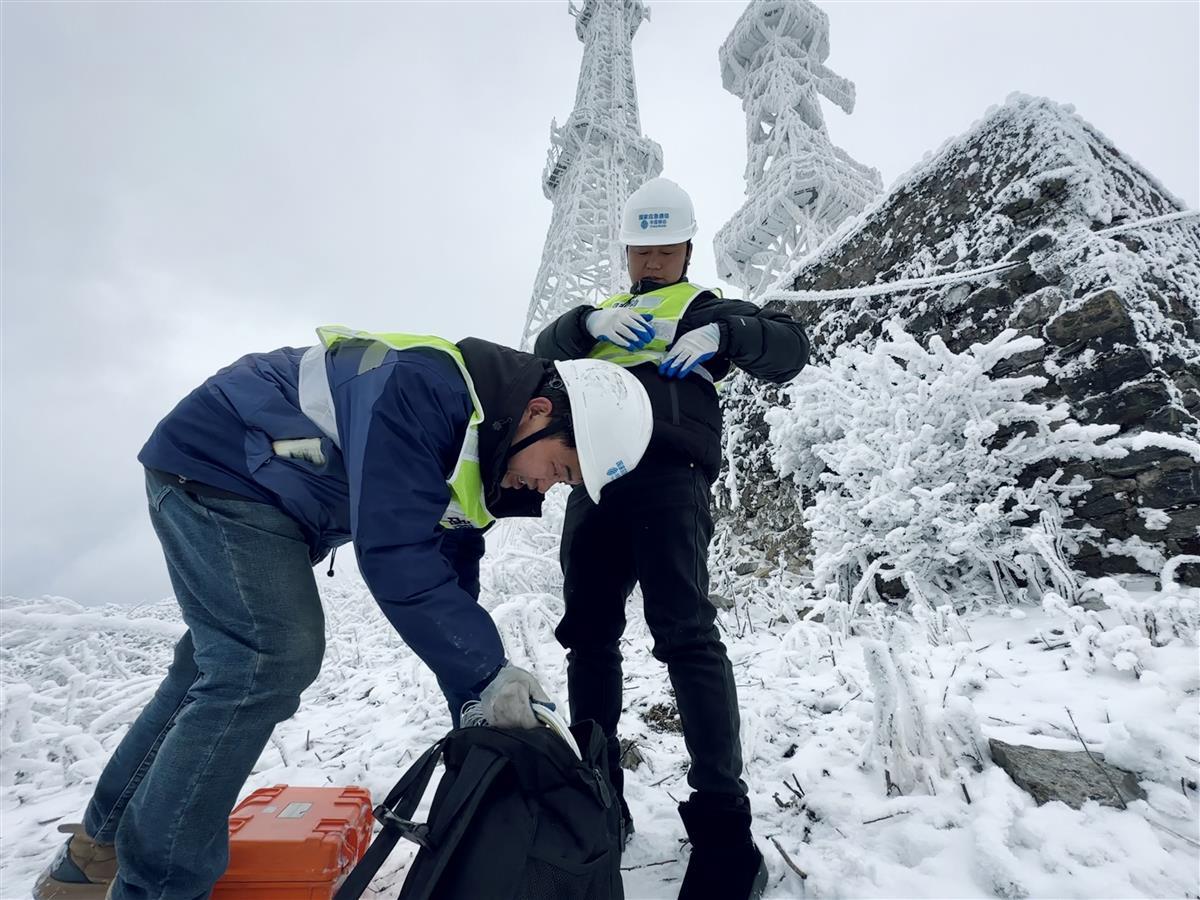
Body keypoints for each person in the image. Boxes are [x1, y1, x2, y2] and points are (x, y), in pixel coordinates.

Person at [34, 327, 653, 900]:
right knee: (267, 658)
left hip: (258, 487)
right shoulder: (428, 389)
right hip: (224, 460)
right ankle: (158, 888)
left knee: (213, 670)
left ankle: (93, 855)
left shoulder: (483, 455)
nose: (547, 488)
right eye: (560, 469)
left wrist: (479, 700)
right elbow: (396, 555)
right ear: (539, 413)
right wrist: (489, 673)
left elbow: (447, 587)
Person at [535, 177, 809, 900]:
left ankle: (725, 833)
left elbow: (789, 347)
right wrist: (586, 322)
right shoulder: (604, 315)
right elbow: (542, 351)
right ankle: (599, 800)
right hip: (594, 482)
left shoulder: (705, 308)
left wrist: (727, 335)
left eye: (664, 249)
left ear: (686, 249)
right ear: (626, 252)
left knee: (685, 635)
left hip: (669, 476)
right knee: (588, 639)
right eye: (641, 250)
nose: (651, 261)